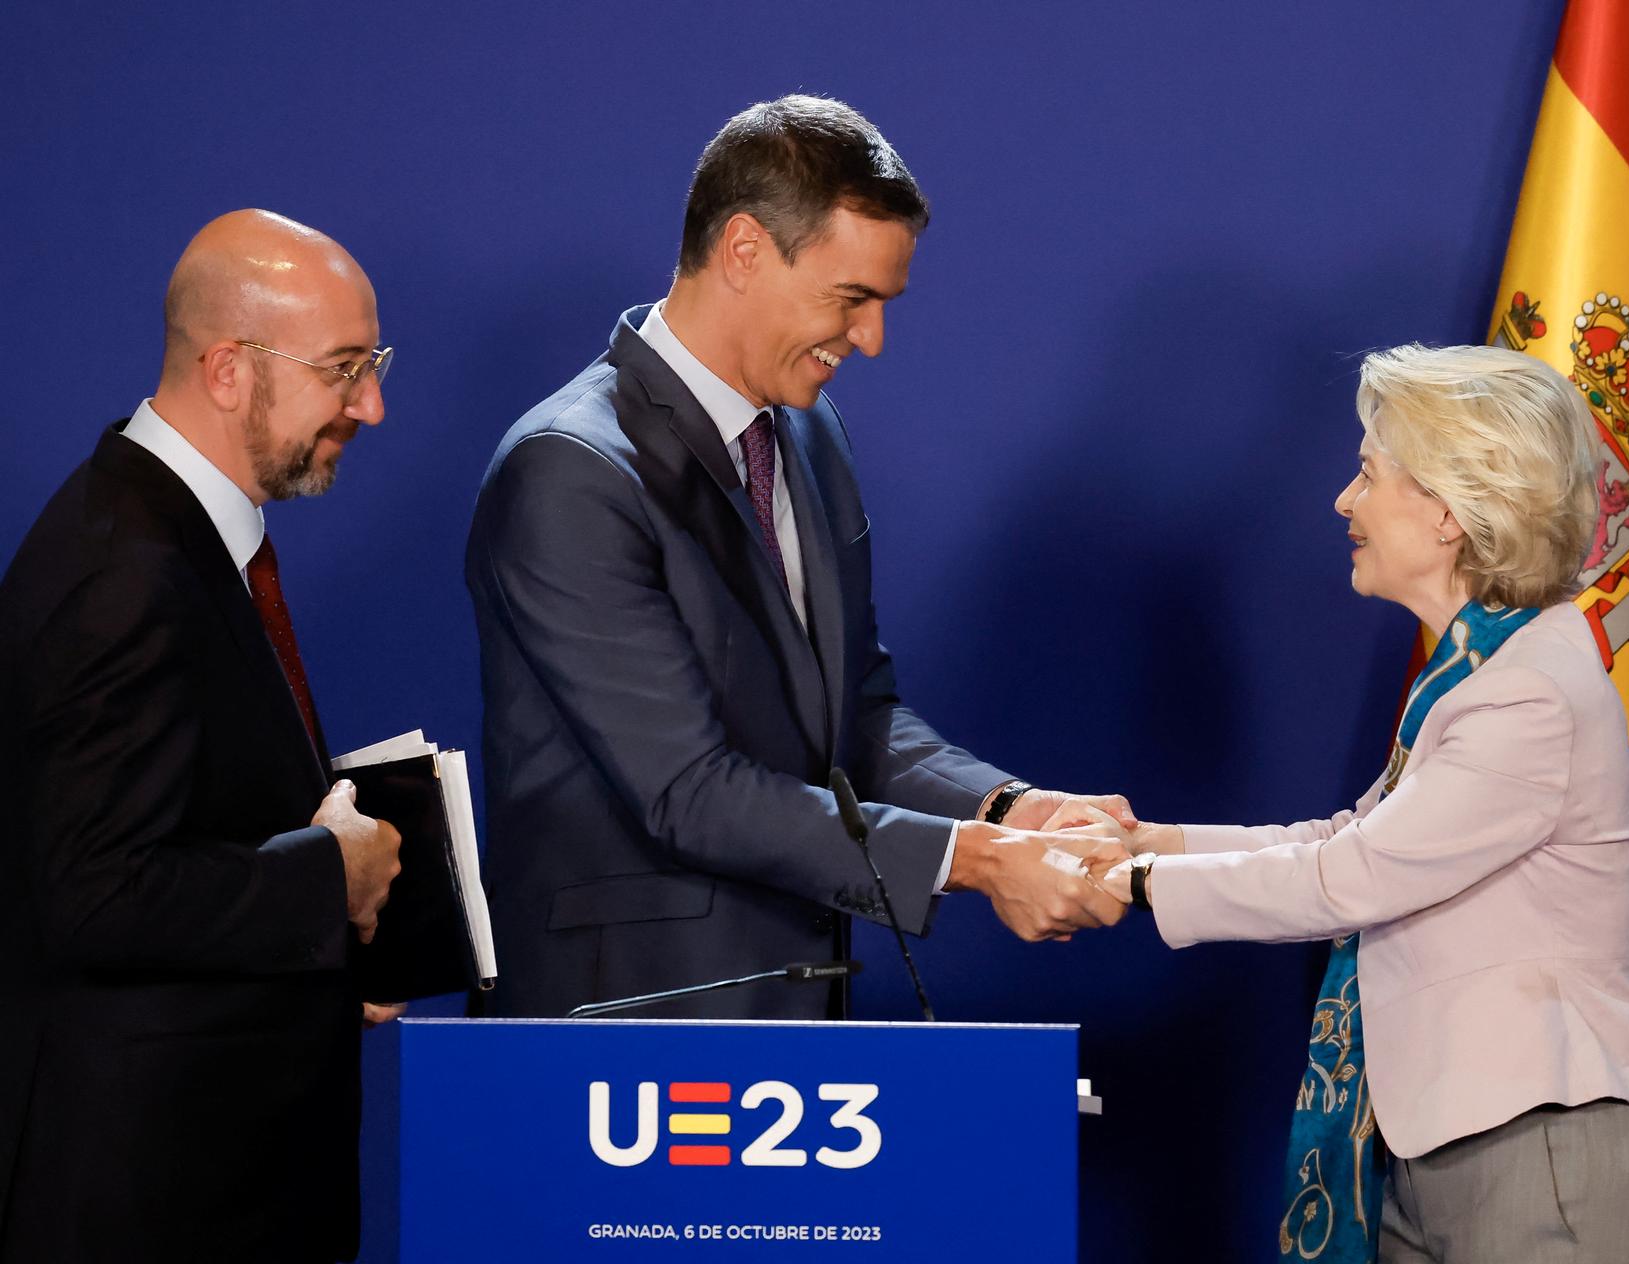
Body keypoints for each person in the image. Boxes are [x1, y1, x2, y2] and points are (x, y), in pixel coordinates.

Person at [467, 95, 1128, 1021]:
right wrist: (973, 862)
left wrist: (1009, 811)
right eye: (850, 298)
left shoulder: (810, 440)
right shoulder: (570, 471)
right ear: (743, 250)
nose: (870, 339)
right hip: (625, 1040)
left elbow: (853, 718)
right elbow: (688, 792)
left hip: (791, 1024)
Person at [1062, 345, 1629, 1262]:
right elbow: (1356, 835)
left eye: (1368, 473)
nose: (1344, 502)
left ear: (1448, 510)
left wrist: (1139, 882)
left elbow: (1354, 877)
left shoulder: (1526, 692)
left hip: (1536, 1155)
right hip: (1436, 1146)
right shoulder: (1478, 673)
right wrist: (1159, 842)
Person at [0, 210, 403, 1263]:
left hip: (215, 1181)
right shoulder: (123, 572)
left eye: (374, 363)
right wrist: (331, 879)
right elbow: (97, 894)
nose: (372, 403)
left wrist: (339, 942)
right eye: (344, 368)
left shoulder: (172, 534)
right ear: (230, 369)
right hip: (153, 1203)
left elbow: (198, 820)